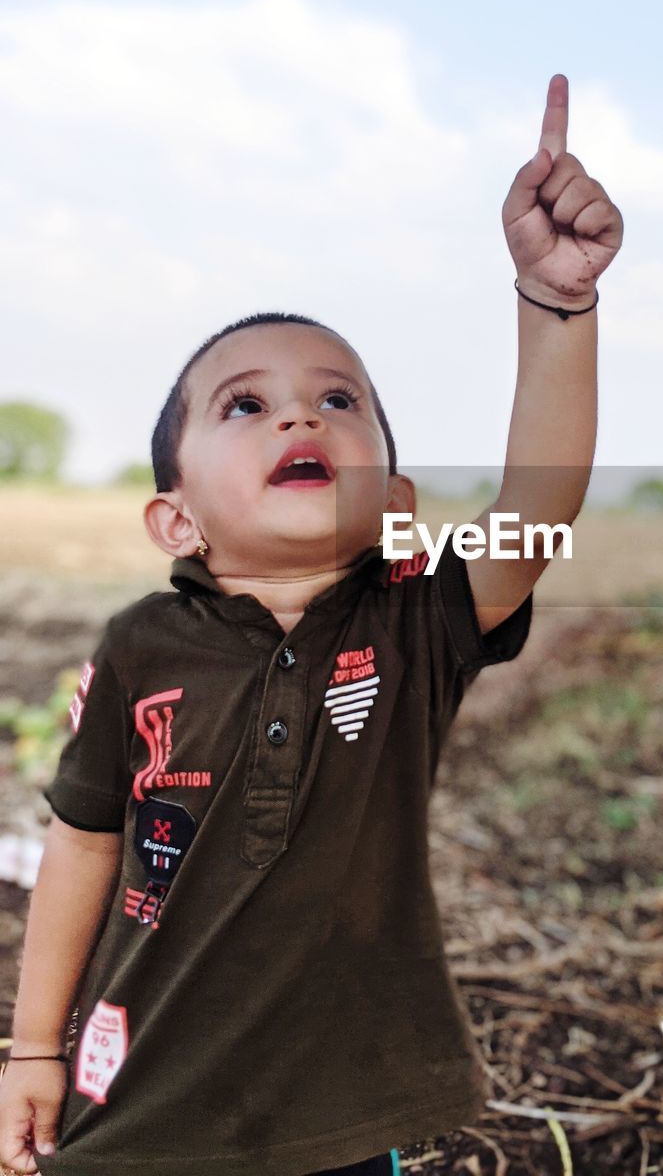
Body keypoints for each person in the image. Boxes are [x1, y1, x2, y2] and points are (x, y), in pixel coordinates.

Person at [0, 73, 623, 1176]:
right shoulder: (142, 646)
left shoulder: (416, 614)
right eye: (245, 404)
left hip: (332, 1122)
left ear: (395, 500)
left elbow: (538, 507)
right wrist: (32, 1047)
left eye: (341, 401)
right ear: (175, 517)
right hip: (130, 1106)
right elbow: (87, 843)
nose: (299, 412)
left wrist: (557, 304)